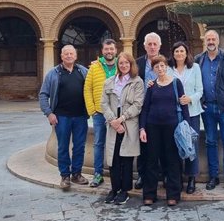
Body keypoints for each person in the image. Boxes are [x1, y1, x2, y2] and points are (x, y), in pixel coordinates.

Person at [139, 55, 190, 206]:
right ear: (153, 70)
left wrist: (186, 125)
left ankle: (173, 194)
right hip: (152, 127)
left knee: (172, 160)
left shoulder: (176, 83)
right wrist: (142, 128)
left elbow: (183, 104)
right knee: (151, 160)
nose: (160, 69)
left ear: (166, 66)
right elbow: (145, 108)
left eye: (162, 66)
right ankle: (149, 194)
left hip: (172, 127)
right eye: (156, 67)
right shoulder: (151, 86)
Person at [38, 45, 90, 189]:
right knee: (62, 147)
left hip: (80, 116)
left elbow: (94, 87)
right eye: (65, 54)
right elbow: (43, 94)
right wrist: (49, 113)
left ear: (75, 56)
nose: (68, 56)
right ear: (61, 56)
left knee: (79, 146)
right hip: (61, 117)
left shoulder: (83, 72)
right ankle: (65, 176)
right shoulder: (53, 73)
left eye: (71, 53)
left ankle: (77, 174)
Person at [194, 29, 224, 191]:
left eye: (213, 39)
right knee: (210, 142)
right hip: (207, 109)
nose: (211, 42)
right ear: (204, 41)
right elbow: (194, 84)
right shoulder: (198, 60)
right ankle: (213, 176)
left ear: (218, 41)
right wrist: (201, 101)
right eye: (208, 39)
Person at [101, 52, 145, 205]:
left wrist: (122, 119)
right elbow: (104, 103)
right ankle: (114, 188)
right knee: (113, 158)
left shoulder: (137, 82)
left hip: (128, 123)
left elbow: (138, 104)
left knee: (126, 158)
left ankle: (125, 190)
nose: (124, 65)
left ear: (131, 64)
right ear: (117, 64)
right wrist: (113, 120)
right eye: (121, 63)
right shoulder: (109, 82)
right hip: (113, 122)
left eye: (127, 63)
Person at [170, 41, 204, 194]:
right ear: (173, 54)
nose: (179, 54)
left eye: (182, 51)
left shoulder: (195, 68)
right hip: (174, 113)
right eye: (176, 51)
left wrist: (189, 98)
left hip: (192, 112)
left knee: (191, 146)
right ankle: (175, 177)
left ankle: (191, 178)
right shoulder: (169, 69)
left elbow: (200, 90)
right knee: (175, 144)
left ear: (186, 53)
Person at [83, 38, 118, 188]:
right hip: (99, 113)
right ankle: (98, 174)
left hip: (116, 113)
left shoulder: (121, 65)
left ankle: (116, 172)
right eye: (106, 49)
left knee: (116, 144)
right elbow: (87, 89)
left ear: (116, 50)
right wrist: (92, 110)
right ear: (102, 51)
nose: (109, 52)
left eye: (111, 49)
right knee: (98, 143)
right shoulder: (94, 67)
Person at [134, 32, 164, 189]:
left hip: (163, 108)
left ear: (160, 46)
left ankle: (163, 173)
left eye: (155, 44)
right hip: (143, 109)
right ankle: (142, 174)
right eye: (149, 44)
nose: (152, 47)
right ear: (145, 46)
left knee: (164, 143)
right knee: (143, 143)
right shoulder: (138, 63)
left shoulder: (167, 62)